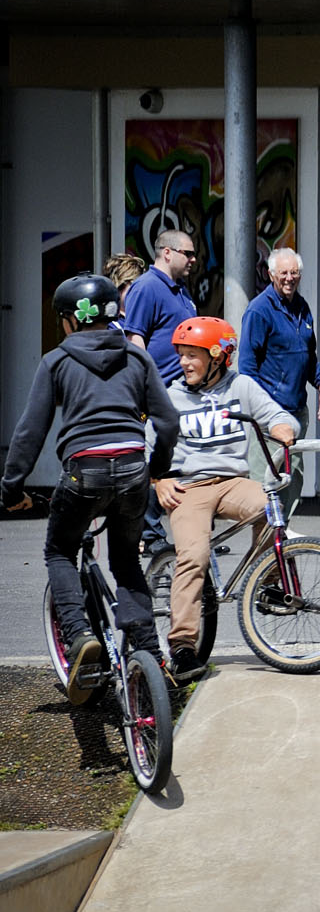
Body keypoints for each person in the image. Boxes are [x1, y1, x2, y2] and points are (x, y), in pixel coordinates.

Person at [3, 275, 178, 701]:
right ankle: (150, 654)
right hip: (134, 470)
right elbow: (168, 422)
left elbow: (31, 431)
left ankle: (80, 636)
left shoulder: (57, 361)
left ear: (68, 321)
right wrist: (156, 470)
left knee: (59, 550)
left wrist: (11, 488)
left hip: (84, 471)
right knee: (126, 562)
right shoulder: (137, 359)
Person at [156, 317, 299, 682]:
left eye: (193, 355)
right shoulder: (170, 397)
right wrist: (158, 481)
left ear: (218, 358)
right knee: (194, 556)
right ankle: (183, 648)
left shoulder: (242, 386)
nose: (185, 363)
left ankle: (266, 585)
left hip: (233, 482)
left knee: (270, 509)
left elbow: (278, 416)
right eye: (182, 355)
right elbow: (147, 447)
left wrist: (284, 428)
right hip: (188, 488)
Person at [239, 248, 320, 427]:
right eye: (284, 273)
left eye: (294, 272)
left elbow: (309, 356)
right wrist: (264, 409)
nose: (289, 278)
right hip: (269, 415)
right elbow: (247, 368)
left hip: (298, 411)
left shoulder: (302, 307)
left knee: (295, 456)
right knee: (269, 457)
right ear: (271, 275)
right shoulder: (259, 310)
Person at [121, 229, 199, 384]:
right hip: (162, 391)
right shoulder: (146, 286)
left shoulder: (181, 288)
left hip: (184, 391)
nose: (193, 259)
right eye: (188, 254)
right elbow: (134, 339)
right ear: (167, 253)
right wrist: (149, 386)